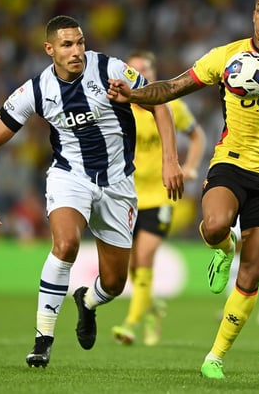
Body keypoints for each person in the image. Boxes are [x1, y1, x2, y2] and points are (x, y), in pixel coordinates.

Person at [107, 0, 259, 380]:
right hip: (230, 163)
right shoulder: (226, 56)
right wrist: (134, 95)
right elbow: (174, 87)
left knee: (251, 271)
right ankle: (223, 244)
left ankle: (215, 355)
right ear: (253, 15)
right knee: (214, 224)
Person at [0, 15, 184, 368]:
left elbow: (158, 102)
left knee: (114, 284)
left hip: (118, 184)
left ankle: (87, 301)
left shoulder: (112, 70)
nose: (76, 51)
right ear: (49, 49)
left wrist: (170, 160)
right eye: (67, 45)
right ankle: (43, 340)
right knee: (65, 244)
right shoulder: (36, 90)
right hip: (71, 177)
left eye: (80, 42)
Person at [111, 50, 206, 346]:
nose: (138, 75)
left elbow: (197, 136)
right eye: (133, 70)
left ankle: (130, 323)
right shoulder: (120, 107)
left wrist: (188, 166)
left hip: (161, 196)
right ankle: (152, 310)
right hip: (128, 196)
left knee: (144, 256)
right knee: (132, 268)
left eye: (144, 70)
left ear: (152, 75)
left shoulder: (170, 106)